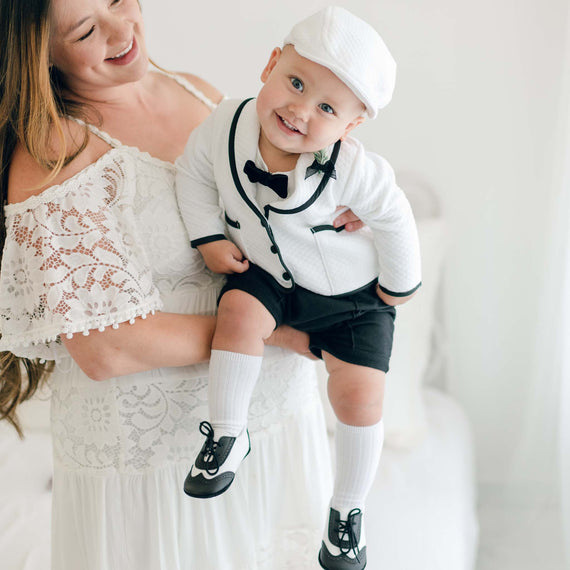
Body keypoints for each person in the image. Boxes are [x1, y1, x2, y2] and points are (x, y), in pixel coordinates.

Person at [0, 1, 365, 568]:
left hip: (275, 426)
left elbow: (280, 210)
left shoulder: (195, 91)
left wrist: (343, 210)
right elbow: (104, 346)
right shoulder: (56, 147)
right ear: (38, 52)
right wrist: (279, 334)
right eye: (87, 30)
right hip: (159, 464)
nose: (123, 30)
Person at [176, 6, 422, 570]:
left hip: (351, 295)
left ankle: (346, 515)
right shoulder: (224, 124)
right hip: (268, 274)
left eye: (327, 108)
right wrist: (209, 238)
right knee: (235, 315)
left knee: (359, 396)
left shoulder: (354, 168)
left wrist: (398, 287)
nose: (299, 110)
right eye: (294, 83)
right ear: (269, 65)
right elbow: (192, 174)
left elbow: (395, 217)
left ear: (350, 126)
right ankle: (228, 434)